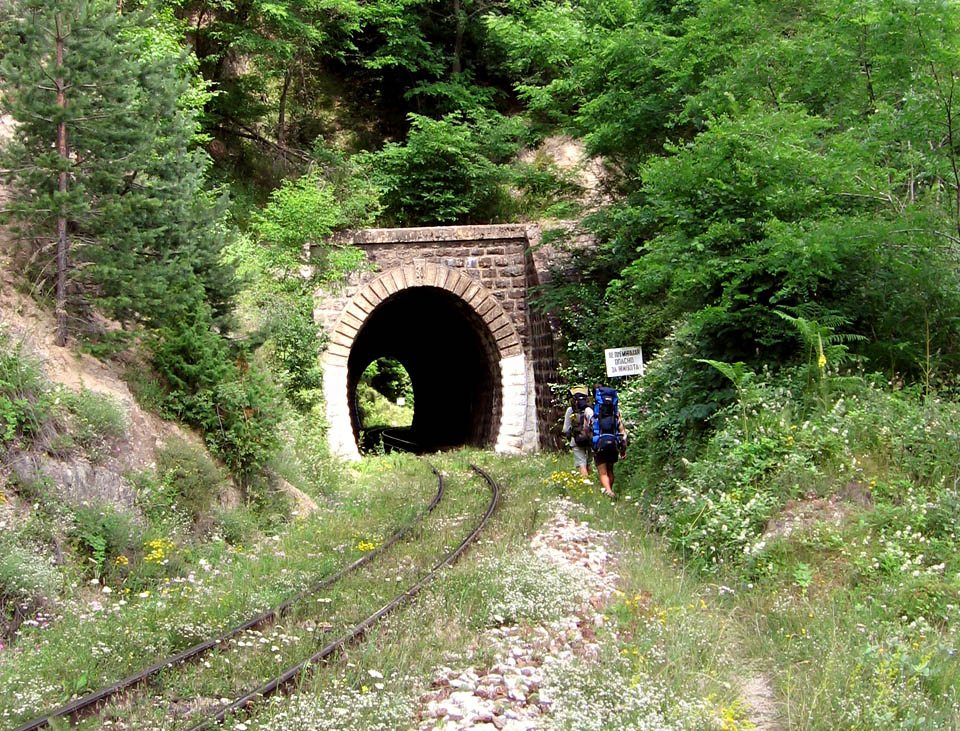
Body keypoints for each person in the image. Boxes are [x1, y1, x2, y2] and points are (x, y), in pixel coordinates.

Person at [592, 384, 627, 498]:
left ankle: (608, 491)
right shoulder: (616, 415)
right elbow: (623, 433)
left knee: (603, 472)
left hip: (600, 443)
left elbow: (589, 429)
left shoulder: (596, 414)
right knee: (610, 470)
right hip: (613, 443)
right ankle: (610, 489)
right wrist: (623, 449)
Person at [561, 385, 594, 479]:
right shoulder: (590, 409)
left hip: (576, 439)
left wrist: (570, 438)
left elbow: (566, 429)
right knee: (589, 462)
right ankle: (592, 481)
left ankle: (586, 484)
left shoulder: (570, 410)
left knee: (581, 464)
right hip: (590, 439)